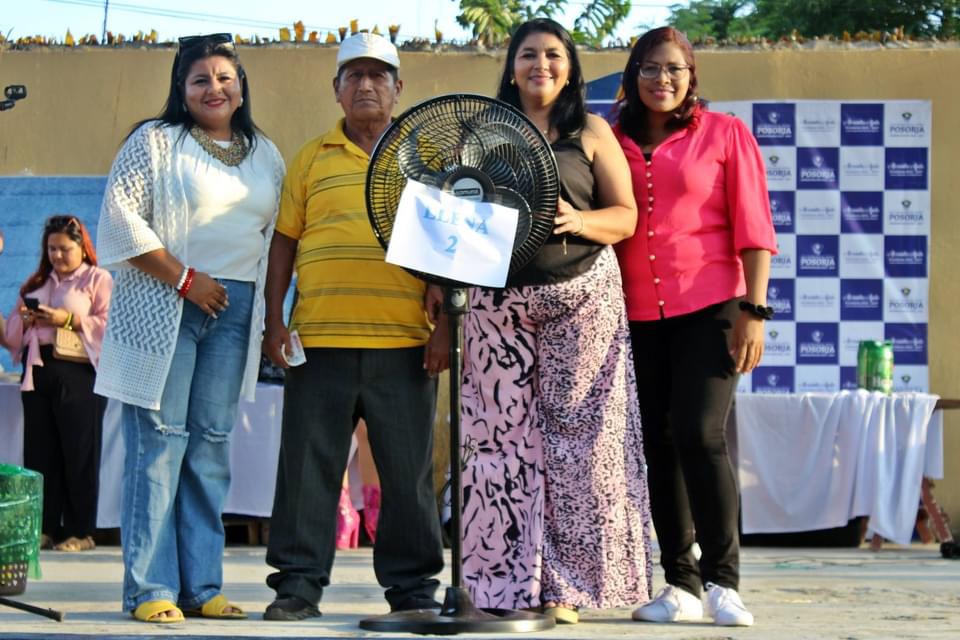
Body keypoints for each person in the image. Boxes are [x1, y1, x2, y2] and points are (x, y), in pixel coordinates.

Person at [454, 18, 652, 625]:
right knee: (497, 444)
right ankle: (498, 583)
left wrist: (577, 221)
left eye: (553, 55)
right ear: (511, 67)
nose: (540, 64)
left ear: (569, 68)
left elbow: (626, 217)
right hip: (496, 306)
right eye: (528, 54)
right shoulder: (481, 133)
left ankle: (564, 589)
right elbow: (454, 211)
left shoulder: (591, 130)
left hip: (582, 297)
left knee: (580, 447)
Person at [94, 33, 285, 623]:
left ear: (241, 87)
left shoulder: (266, 154)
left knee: (211, 447)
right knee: (160, 442)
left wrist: (270, 317)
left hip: (236, 311)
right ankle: (150, 587)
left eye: (225, 78)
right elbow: (119, 222)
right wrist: (185, 280)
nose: (214, 88)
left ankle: (202, 587)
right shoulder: (154, 141)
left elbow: (275, 238)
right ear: (181, 89)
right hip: (167, 304)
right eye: (200, 79)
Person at [261, 32, 447, 621]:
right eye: (354, 76)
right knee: (307, 470)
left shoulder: (425, 158)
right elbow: (283, 243)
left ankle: (413, 590)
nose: (366, 85)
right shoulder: (311, 158)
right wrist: (273, 320)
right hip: (319, 341)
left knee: (407, 474)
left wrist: (445, 325)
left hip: (405, 342)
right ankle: (297, 586)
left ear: (398, 88)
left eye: (378, 75)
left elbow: (451, 246)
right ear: (336, 90)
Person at [614, 27, 777, 628]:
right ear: (633, 74)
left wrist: (753, 311)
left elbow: (754, 227)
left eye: (674, 69)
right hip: (635, 312)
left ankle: (723, 583)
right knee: (658, 444)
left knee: (700, 434)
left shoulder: (725, 133)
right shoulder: (610, 136)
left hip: (711, 306)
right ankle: (679, 583)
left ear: (691, 76)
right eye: (650, 68)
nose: (662, 79)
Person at [4, 215, 112, 552]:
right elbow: (12, 337)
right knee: (40, 453)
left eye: (64, 248)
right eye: (52, 249)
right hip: (38, 370)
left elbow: (111, 325)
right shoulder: (37, 283)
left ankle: (81, 531)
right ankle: (44, 527)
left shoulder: (97, 279)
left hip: (79, 372)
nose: (57, 255)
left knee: (79, 453)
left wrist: (67, 319)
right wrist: (26, 319)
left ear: (82, 247)